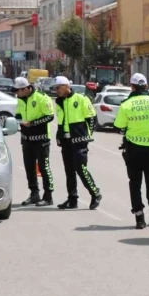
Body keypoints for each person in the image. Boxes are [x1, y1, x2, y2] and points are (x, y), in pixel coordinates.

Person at [113, 73, 149, 229]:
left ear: (132, 87)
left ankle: (139, 218)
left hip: (133, 150)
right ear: (147, 86)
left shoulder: (126, 104)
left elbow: (119, 127)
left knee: (135, 184)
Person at [53, 76, 103, 210]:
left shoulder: (81, 99)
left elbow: (91, 118)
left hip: (79, 140)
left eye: (58, 88)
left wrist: (88, 136)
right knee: (69, 171)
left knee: (81, 169)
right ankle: (72, 199)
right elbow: (61, 122)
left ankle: (95, 193)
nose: (56, 90)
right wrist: (59, 136)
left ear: (65, 86)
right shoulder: (59, 102)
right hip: (66, 141)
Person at [13, 77, 55, 207]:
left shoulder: (42, 98)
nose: (16, 93)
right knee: (29, 168)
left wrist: (32, 123)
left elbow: (50, 116)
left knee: (44, 168)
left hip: (41, 138)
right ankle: (34, 194)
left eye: (18, 91)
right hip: (26, 139)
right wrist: (18, 121)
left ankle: (48, 196)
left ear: (26, 89)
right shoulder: (20, 99)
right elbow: (18, 114)